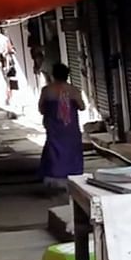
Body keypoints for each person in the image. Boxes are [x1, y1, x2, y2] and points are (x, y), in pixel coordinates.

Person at [37, 62, 85, 191]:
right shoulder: (73, 90)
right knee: (72, 150)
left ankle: (53, 177)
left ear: (53, 75)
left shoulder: (47, 91)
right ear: (67, 76)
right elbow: (82, 107)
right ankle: (73, 176)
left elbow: (41, 108)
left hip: (53, 127)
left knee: (53, 150)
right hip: (70, 128)